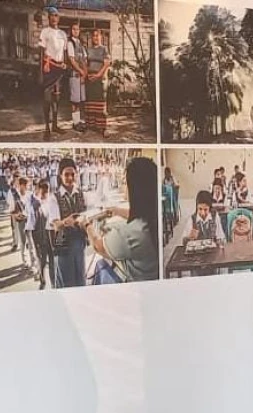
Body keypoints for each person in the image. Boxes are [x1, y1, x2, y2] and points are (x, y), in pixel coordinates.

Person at [85, 157, 159, 283]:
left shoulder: (129, 233)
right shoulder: (154, 216)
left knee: (101, 265)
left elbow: (98, 246)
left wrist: (87, 224)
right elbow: (139, 214)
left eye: (125, 183)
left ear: (134, 189)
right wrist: (117, 210)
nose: (123, 187)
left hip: (135, 284)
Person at [49, 158, 87, 288]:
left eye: (72, 174)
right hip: (62, 243)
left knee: (80, 278)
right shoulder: (54, 197)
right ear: (60, 175)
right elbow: (55, 225)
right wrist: (66, 222)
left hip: (79, 242)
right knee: (66, 282)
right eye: (66, 174)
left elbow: (86, 214)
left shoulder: (81, 194)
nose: (70, 177)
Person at [39, 6, 68, 140]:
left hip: (60, 70)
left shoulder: (63, 34)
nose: (54, 18)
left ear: (59, 18)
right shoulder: (45, 32)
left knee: (57, 98)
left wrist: (65, 63)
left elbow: (65, 52)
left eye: (56, 15)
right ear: (49, 17)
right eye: (51, 15)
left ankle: (55, 125)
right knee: (47, 99)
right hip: (48, 68)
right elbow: (41, 53)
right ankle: (47, 128)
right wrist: (40, 71)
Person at [85, 29, 111, 137]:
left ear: (101, 37)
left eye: (97, 35)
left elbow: (106, 64)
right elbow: (86, 64)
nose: (95, 38)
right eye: (94, 36)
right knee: (90, 103)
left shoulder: (104, 49)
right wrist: (87, 75)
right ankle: (91, 126)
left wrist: (98, 75)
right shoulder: (88, 49)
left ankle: (103, 128)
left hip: (100, 78)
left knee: (101, 103)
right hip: (90, 78)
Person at [66, 22, 88, 133]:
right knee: (74, 100)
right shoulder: (70, 43)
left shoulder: (80, 44)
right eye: (74, 29)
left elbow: (84, 60)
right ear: (71, 31)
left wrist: (85, 73)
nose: (76, 31)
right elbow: (72, 60)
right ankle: (75, 123)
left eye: (77, 29)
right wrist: (80, 71)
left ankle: (79, 121)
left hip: (81, 76)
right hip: (74, 75)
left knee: (80, 100)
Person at [7, 177, 32, 268]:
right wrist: (15, 215)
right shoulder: (14, 194)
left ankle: (33, 262)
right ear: (21, 185)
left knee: (31, 241)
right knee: (23, 241)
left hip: (29, 219)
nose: (28, 187)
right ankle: (25, 261)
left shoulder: (29, 194)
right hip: (20, 220)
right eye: (26, 185)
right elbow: (11, 209)